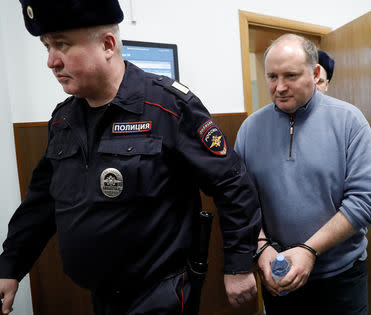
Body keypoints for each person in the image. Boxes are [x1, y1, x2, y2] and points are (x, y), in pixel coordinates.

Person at [0, 1, 261, 314]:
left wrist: (239, 265)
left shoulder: (168, 106)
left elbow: (231, 183)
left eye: (62, 45)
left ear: (108, 45)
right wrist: (11, 265)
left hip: (160, 294)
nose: (51, 62)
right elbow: (41, 203)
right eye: (46, 47)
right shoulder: (63, 120)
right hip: (101, 297)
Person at [234, 34, 371, 314]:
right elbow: (240, 203)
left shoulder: (349, 122)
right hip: (279, 278)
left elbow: (367, 201)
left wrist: (309, 250)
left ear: (316, 73)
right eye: (272, 77)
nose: (279, 87)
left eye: (290, 75)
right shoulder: (250, 130)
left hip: (341, 278)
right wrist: (263, 247)